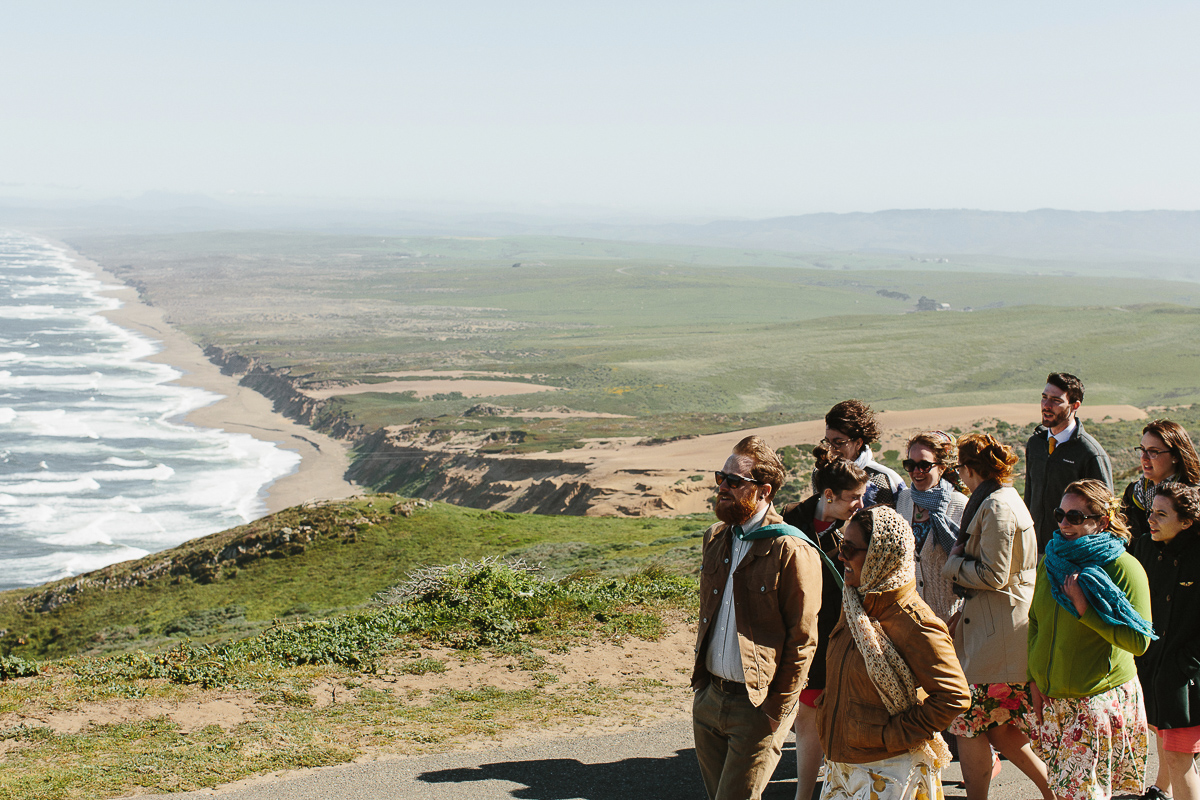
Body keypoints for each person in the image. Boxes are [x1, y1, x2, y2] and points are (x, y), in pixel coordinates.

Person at [692, 435, 824, 800]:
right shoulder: (717, 538)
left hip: (756, 707)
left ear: (764, 491)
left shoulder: (790, 549)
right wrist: (702, 692)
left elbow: (803, 639)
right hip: (709, 700)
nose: (723, 487)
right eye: (722, 478)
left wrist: (776, 712)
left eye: (734, 482)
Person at [817, 505, 970, 800]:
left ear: (880, 556)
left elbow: (954, 696)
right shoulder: (854, 602)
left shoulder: (914, 621)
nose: (841, 556)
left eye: (850, 549)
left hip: (890, 773)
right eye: (841, 545)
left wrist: (891, 735)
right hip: (844, 766)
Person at [1027, 479, 1153, 800]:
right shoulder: (1051, 560)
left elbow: (1139, 642)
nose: (1064, 524)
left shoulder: (1123, 567)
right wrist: (1034, 679)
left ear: (1103, 521)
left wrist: (1086, 609)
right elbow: (1035, 623)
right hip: (1054, 699)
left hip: (1095, 701)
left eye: (1076, 517)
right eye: (1060, 514)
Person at [943, 433, 1053, 800]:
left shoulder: (996, 508)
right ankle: (1056, 792)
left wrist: (954, 563)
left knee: (968, 724)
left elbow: (994, 574)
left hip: (996, 637)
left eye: (960, 469)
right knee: (1000, 729)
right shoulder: (999, 500)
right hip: (996, 632)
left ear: (970, 469)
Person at [781, 444, 869, 800]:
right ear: (829, 494)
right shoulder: (787, 521)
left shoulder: (850, 529)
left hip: (835, 638)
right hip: (793, 635)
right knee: (803, 719)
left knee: (819, 718)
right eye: (854, 498)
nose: (860, 506)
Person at [1131, 483, 1200, 800]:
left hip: (1186, 674)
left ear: (1186, 521)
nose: (1151, 520)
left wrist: (1186, 664)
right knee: (1175, 754)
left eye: (1162, 514)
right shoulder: (1145, 546)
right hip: (1153, 666)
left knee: (1177, 756)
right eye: (1151, 512)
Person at [1024, 373, 1114, 552]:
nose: (1046, 406)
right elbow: (1029, 497)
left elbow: (1107, 511)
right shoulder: (1035, 444)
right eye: (1044, 398)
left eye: (1056, 400)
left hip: (1072, 554)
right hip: (1033, 552)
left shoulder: (1090, 453)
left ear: (1075, 406)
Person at [896, 431, 968, 624]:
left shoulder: (959, 505)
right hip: (909, 618)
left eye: (924, 465)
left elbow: (972, 564)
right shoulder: (903, 500)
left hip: (949, 620)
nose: (916, 471)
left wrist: (962, 613)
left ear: (942, 468)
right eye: (910, 465)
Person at [1121, 419, 1200, 541]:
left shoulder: (1193, 497)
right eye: (1142, 450)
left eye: (1153, 452)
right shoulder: (1133, 492)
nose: (1144, 458)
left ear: (1175, 456)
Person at [823, 399, 906, 508]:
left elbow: (883, 523)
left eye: (839, 443)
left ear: (858, 443)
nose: (831, 449)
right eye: (828, 442)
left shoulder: (878, 482)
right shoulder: (822, 474)